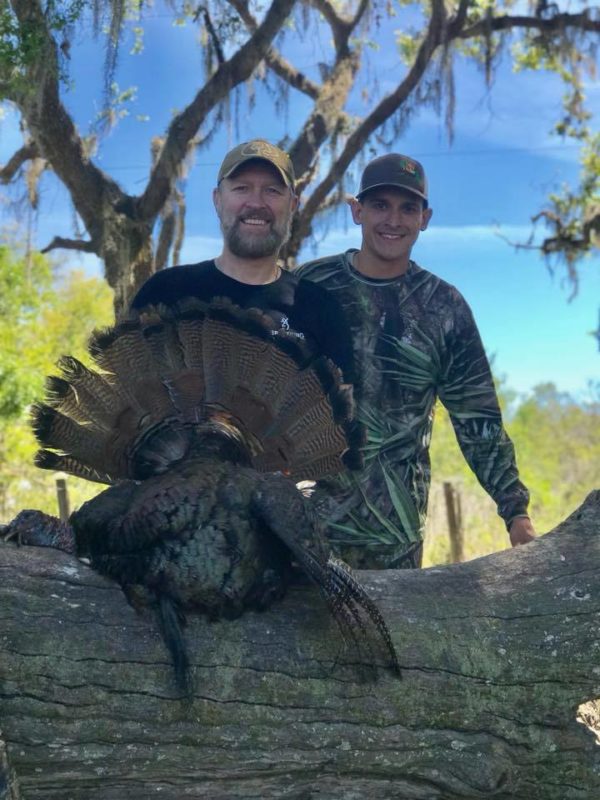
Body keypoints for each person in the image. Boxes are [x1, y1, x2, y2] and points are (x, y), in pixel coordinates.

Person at [296, 153, 536, 569]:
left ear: (425, 218)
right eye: (380, 205)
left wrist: (515, 513)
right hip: (301, 531)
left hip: (395, 541)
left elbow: (477, 420)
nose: (394, 220)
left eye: (408, 208)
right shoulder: (308, 287)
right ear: (357, 211)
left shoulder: (444, 306)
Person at [131, 139, 353, 378]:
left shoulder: (321, 309)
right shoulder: (164, 293)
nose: (256, 202)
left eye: (272, 190)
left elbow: (339, 400)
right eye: (241, 188)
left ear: (293, 205)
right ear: (217, 200)